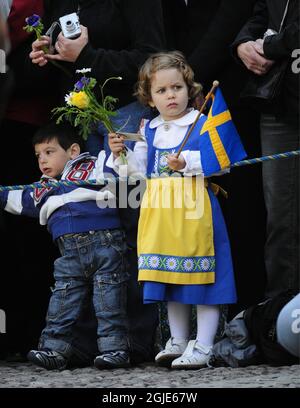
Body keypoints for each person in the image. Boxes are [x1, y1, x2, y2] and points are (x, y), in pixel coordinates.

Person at [27, 0, 166, 363]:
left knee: (130, 227)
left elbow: (152, 60)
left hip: (124, 119)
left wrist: (87, 54)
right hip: (78, 122)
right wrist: (50, 57)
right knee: (83, 230)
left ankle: (134, 339)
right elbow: (72, 67)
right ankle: (88, 341)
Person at [108, 51, 246, 369]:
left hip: (196, 213)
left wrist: (187, 163)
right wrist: (122, 155)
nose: (171, 96)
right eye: (162, 90)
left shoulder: (199, 122)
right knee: (171, 279)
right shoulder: (150, 128)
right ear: (149, 97)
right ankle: (179, 340)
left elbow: (221, 165)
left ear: (188, 88)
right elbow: (137, 173)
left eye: (177, 88)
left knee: (202, 280)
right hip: (161, 214)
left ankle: (205, 344)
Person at [161, 0, 267, 318]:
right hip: (175, 93)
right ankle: (186, 322)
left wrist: (187, 79)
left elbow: (230, 18)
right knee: (182, 209)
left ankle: (243, 313)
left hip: (227, 93)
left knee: (237, 203)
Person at [0, 122, 130, 370]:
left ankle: (115, 350)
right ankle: (54, 349)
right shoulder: (43, 188)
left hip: (105, 245)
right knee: (62, 300)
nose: (42, 160)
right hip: (68, 253)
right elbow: (19, 199)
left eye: (49, 152)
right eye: (38, 155)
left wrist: (116, 151)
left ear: (72, 151)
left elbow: (120, 171)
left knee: (109, 300)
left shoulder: (94, 164)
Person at [232, 0, 299, 298]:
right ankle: (279, 323)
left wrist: (271, 46)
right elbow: (261, 13)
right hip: (277, 103)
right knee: (281, 221)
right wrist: (244, 43)